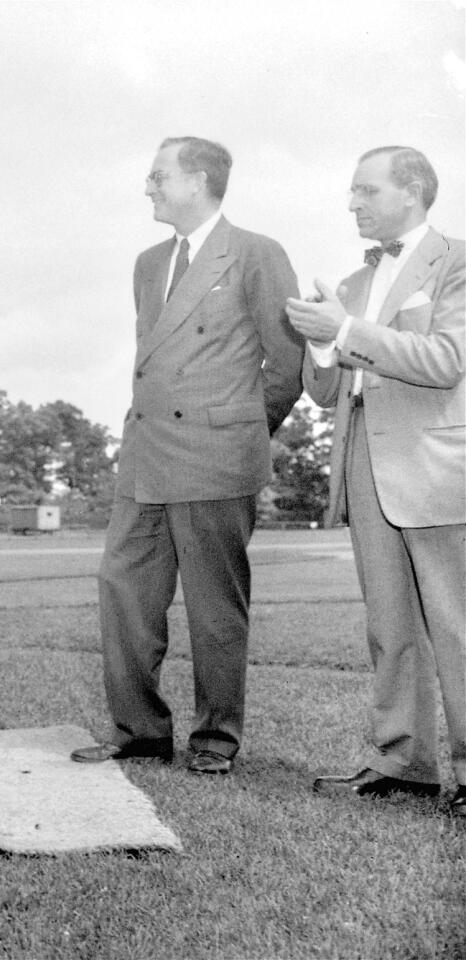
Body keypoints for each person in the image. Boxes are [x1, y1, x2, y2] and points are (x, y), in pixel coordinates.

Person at [71, 137, 304, 775]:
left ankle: (215, 739)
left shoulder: (256, 253)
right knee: (123, 593)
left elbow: (287, 363)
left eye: (157, 176)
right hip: (145, 457)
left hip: (215, 459)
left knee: (213, 609)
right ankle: (140, 732)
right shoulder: (148, 263)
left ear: (198, 180)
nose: (147, 187)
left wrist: (239, 431)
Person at [286, 146, 464, 818]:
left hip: (438, 469)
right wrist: (321, 341)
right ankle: (401, 762)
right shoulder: (355, 282)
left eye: (365, 191)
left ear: (413, 190)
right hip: (364, 465)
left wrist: (349, 328)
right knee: (390, 626)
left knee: (457, 626)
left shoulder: (457, 259)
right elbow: (324, 389)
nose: (352, 203)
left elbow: (447, 361)